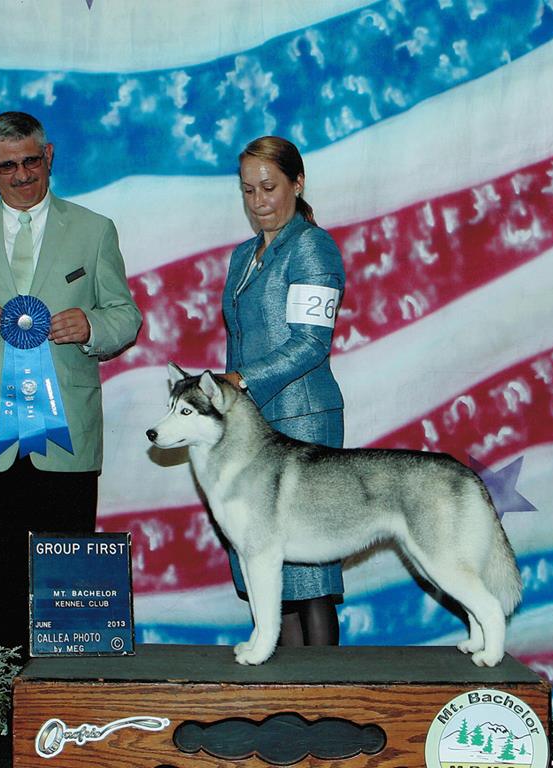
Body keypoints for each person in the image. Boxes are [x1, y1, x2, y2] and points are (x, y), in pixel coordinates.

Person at [0, 112, 142, 659]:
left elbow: (125, 315)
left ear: (50, 156)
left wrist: (92, 327)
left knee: (70, 582)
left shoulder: (93, 230)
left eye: (31, 162)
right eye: (8, 165)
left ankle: (66, 705)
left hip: (67, 438)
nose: (22, 175)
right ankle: (2, 712)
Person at [220, 136, 345, 646]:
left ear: (298, 182)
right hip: (248, 428)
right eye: (248, 190)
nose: (259, 201)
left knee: (310, 576)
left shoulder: (313, 245)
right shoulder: (241, 256)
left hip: (302, 421)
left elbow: (312, 344)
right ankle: (286, 701)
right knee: (266, 571)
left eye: (269, 187)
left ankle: (330, 704)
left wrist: (240, 382)